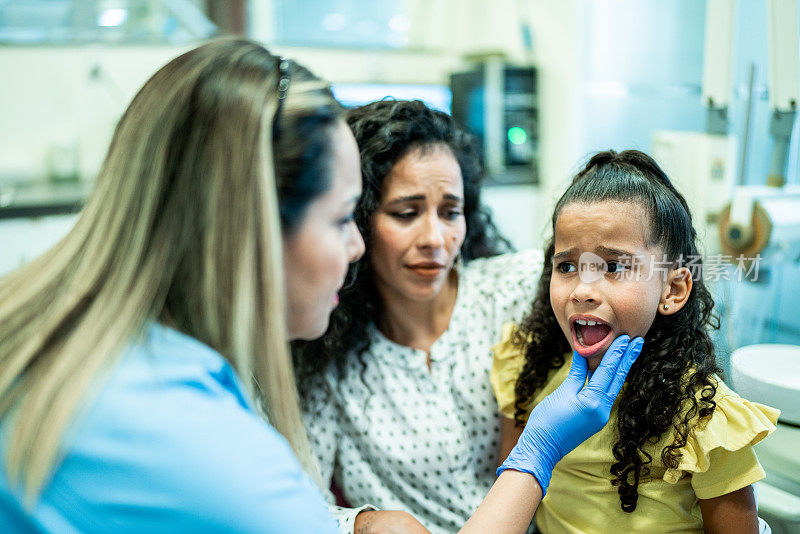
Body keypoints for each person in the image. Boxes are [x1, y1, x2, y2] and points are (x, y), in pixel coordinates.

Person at [0, 38, 641, 533]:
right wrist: (537, 448)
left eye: (450, 210)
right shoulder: (219, 455)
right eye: (344, 218)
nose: (357, 246)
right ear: (248, 229)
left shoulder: (79, 353)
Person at [491, 149, 780, 533]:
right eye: (567, 266)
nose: (583, 290)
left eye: (613, 266)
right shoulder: (529, 367)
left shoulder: (702, 416)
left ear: (672, 289)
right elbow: (508, 499)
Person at [292, 99, 544, 533]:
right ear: (358, 220)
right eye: (406, 214)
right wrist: (364, 525)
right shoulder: (325, 350)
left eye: (451, 212)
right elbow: (293, 505)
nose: (435, 238)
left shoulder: (516, 292)